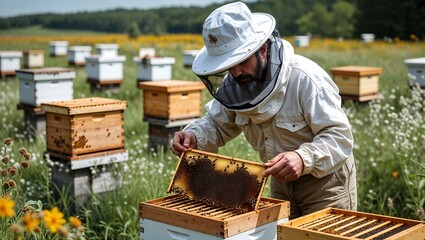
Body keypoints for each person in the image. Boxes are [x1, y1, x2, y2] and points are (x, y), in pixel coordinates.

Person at [170, 1, 356, 219]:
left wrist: (303, 158)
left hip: (326, 185)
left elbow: (340, 137)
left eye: (242, 61)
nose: (237, 73)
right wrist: (194, 134)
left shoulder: (306, 79)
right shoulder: (235, 85)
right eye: (229, 66)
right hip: (280, 182)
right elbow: (216, 123)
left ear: (263, 49)